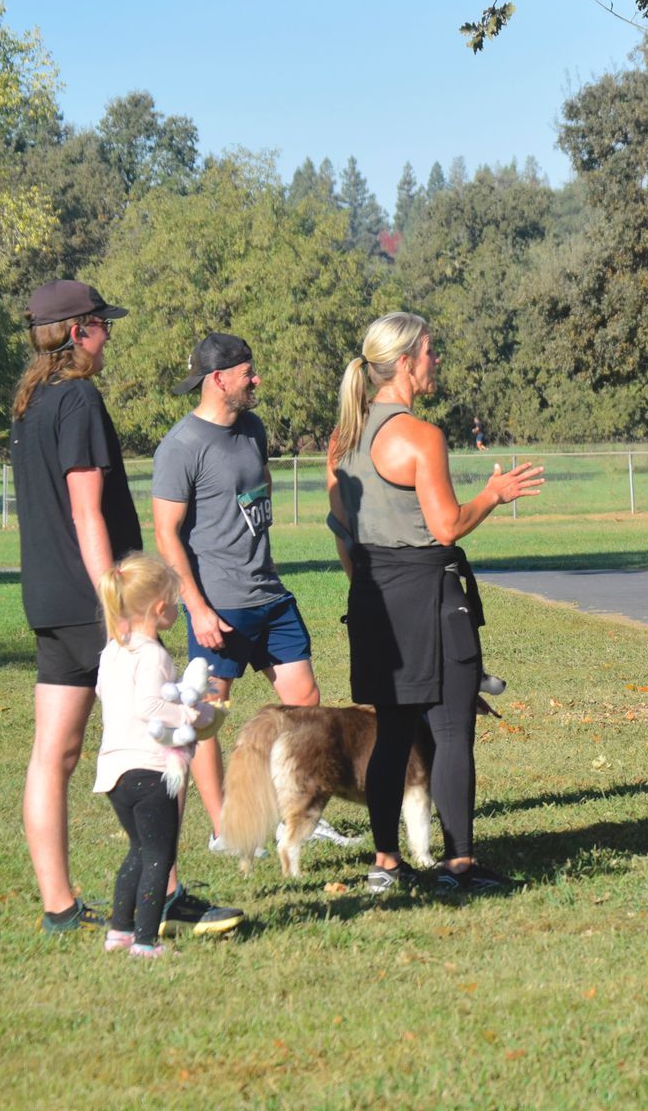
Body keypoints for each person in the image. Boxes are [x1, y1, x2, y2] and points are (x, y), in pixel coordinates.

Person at [325, 312, 544, 894]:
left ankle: (385, 863)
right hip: (429, 593)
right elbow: (447, 526)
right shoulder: (419, 437)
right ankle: (459, 865)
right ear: (404, 363)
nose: (435, 360)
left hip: (374, 597)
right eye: (429, 351)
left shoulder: (342, 437)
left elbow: (342, 531)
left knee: (393, 733)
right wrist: (494, 494)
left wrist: (366, 582)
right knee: (450, 730)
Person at [151, 332, 357, 854]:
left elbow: (253, 489)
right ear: (218, 380)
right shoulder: (180, 447)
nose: (256, 380)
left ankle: (300, 814)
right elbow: (165, 534)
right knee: (208, 715)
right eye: (248, 373)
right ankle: (225, 827)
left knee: (306, 704)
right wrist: (195, 608)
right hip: (218, 606)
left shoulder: (253, 428)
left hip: (269, 594)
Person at [11, 279, 142, 935]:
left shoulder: (30, 403)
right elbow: (87, 512)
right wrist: (115, 603)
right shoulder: (79, 398)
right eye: (98, 324)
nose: (106, 334)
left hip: (49, 600)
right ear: (73, 332)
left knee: (53, 754)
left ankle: (59, 906)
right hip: (92, 601)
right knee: (142, 742)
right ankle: (164, 889)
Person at [92, 554, 235, 957]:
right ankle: (144, 940)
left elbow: (105, 694)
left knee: (137, 850)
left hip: (114, 772)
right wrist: (195, 713)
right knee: (159, 855)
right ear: (160, 609)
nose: (178, 608)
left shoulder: (112, 651)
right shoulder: (153, 654)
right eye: (175, 602)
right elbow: (151, 707)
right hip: (150, 769)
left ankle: (118, 931)